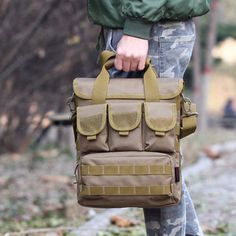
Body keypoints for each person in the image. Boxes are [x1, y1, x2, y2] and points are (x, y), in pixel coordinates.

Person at [87, 1, 211, 235]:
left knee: (155, 161)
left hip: (151, 27)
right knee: (153, 159)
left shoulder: (141, 25)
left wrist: (137, 27)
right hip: (142, 24)